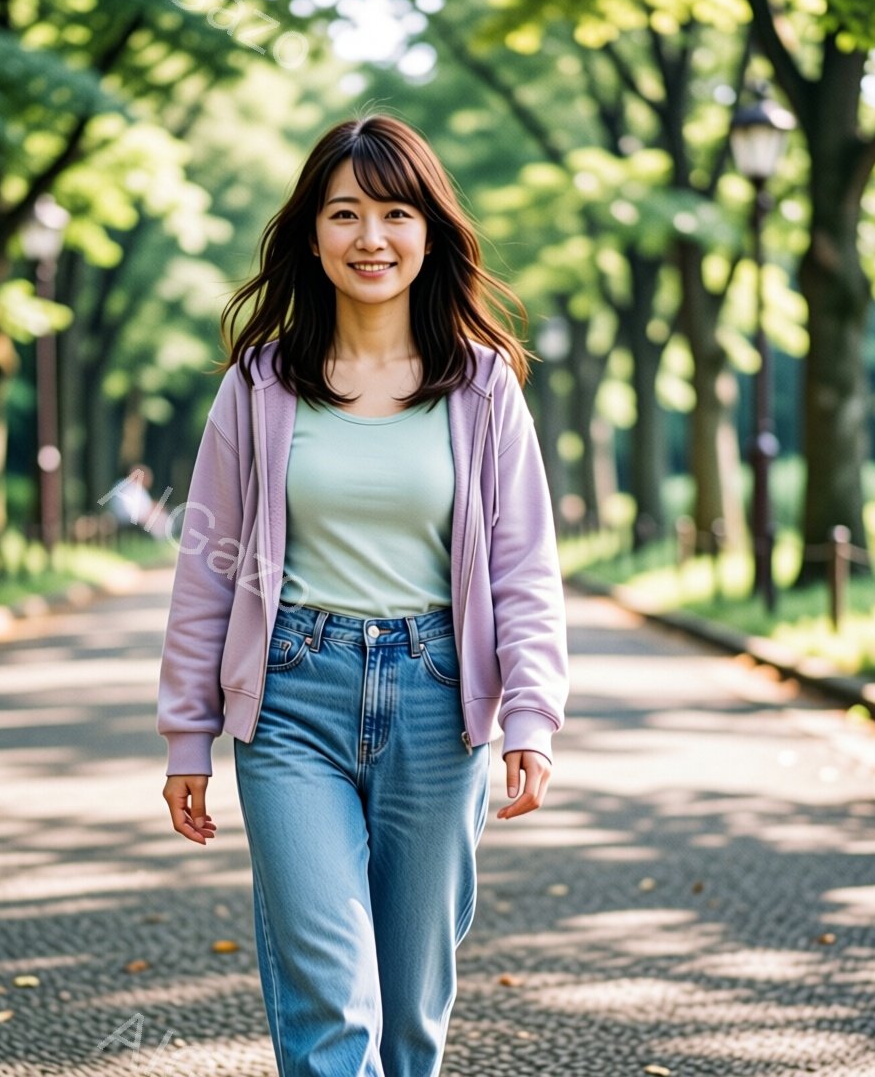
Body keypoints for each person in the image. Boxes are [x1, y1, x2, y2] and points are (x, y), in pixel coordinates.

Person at [154, 114, 572, 1077]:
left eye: (395, 212)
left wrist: (532, 719)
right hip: (292, 698)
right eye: (345, 214)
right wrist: (188, 732)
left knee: (412, 1015)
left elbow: (524, 567)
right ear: (312, 233)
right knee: (334, 1009)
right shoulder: (259, 385)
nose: (371, 238)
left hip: (438, 700)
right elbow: (207, 569)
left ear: (430, 231)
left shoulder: (481, 387)